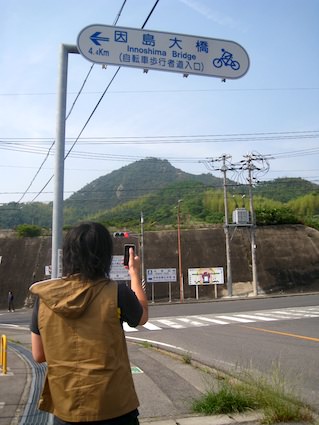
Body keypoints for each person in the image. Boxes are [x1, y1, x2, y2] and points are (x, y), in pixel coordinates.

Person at [30, 222, 148, 425]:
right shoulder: (117, 292)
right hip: (114, 406)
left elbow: (39, 355)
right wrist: (135, 273)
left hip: (66, 407)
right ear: (105, 256)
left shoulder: (45, 297)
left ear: (68, 254)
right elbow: (142, 316)